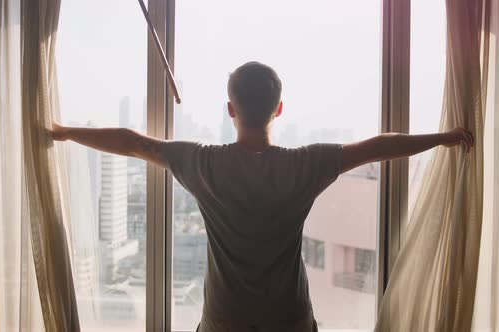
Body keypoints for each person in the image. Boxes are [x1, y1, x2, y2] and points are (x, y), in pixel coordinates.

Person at [51, 61, 474, 332]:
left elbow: (133, 142)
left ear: (230, 110)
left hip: (224, 321)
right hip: (288, 321)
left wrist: (66, 131)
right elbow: (380, 145)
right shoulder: (304, 165)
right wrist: (446, 138)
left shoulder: (204, 164)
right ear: (279, 109)